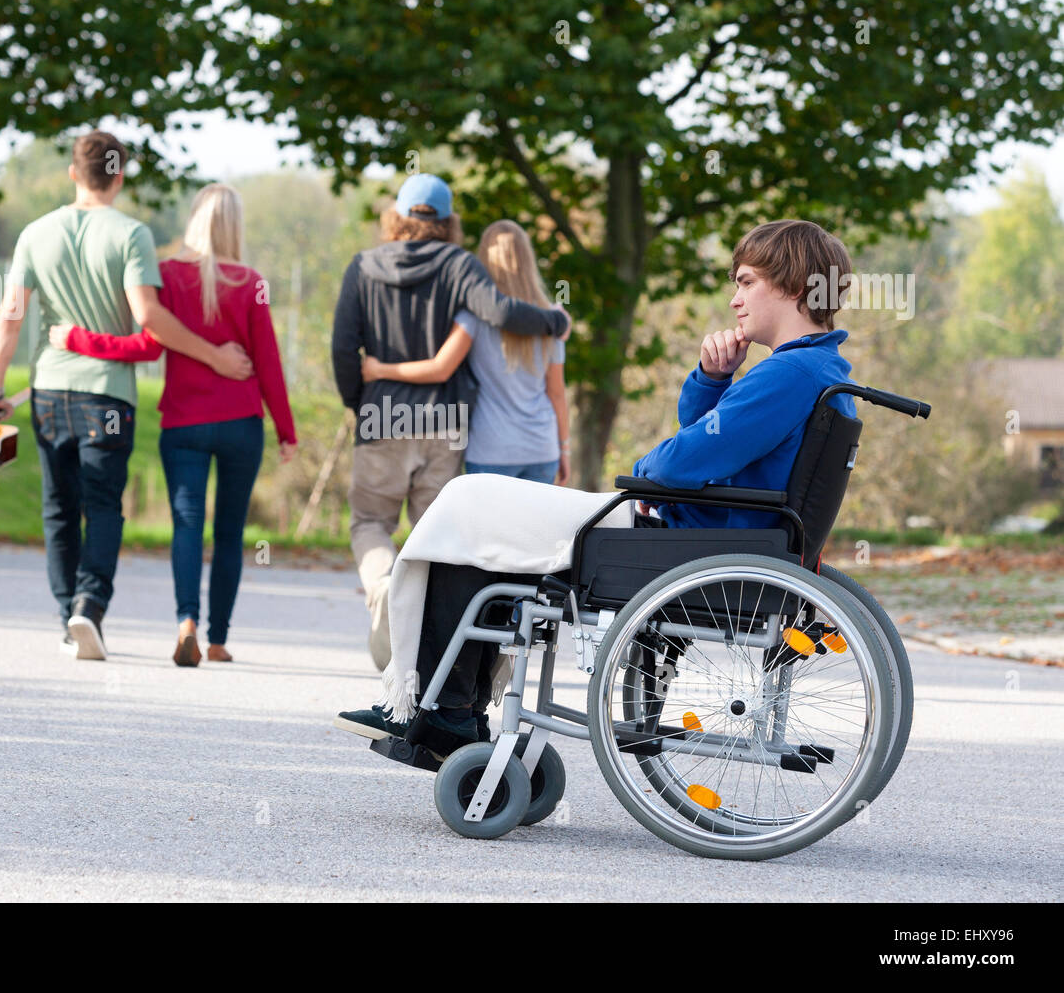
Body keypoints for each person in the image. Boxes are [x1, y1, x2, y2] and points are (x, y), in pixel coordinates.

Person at [335, 219, 858, 751]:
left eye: (746, 282)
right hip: (708, 537)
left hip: (678, 541)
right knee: (474, 518)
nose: (735, 299)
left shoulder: (787, 375)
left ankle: (436, 710)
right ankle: (450, 712)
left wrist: (647, 468)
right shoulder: (820, 369)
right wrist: (711, 378)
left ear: (794, 286)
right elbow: (705, 440)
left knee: (467, 502)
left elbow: (679, 464)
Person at [0, 131, 254, 662]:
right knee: (102, 504)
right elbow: (149, 319)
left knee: (58, 507)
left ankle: (68, 619)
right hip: (106, 401)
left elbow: (10, 317)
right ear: (119, 175)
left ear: (73, 174)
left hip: (50, 394)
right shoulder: (131, 235)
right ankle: (90, 604)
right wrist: (216, 356)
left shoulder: (37, 233)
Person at [49, 183, 296, 667]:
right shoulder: (252, 282)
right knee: (229, 532)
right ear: (234, 227)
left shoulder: (165, 275)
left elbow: (147, 342)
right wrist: (286, 430)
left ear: (194, 222)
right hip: (241, 423)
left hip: (183, 424)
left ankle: (186, 622)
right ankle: (219, 638)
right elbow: (268, 363)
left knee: (186, 524)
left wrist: (76, 338)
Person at [332, 174, 572, 670]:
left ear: (396, 217)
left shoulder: (362, 266)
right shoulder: (460, 264)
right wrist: (555, 321)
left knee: (372, 522)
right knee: (436, 536)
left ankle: (381, 587)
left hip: (383, 413)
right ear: (447, 221)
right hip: (444, 422)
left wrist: (362, 403)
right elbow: (502, 311)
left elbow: (342, 347)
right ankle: (450, 649)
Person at [360, 219, 570, 485]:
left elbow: (440, 368)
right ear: (528, 260)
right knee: (534, 529)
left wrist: (379, 369)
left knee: (489, 528)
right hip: (542, 450)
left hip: (491, 451)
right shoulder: (553, 320)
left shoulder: (473, 317)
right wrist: (564, 448)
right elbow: (557, 393)